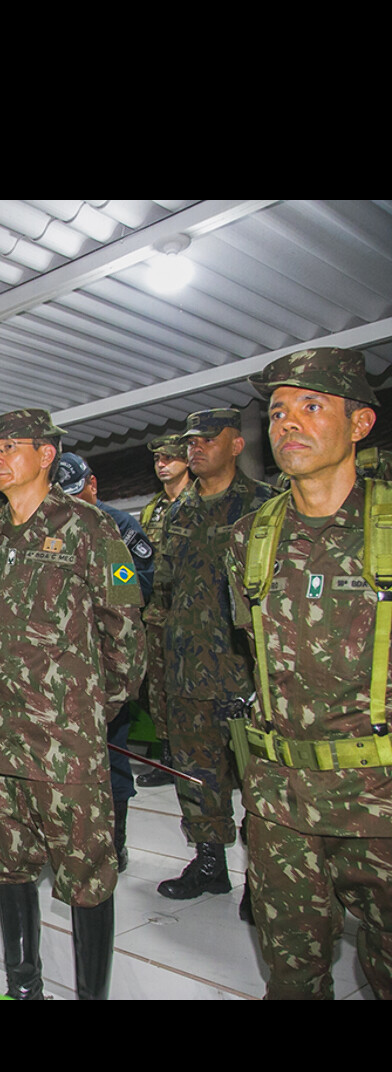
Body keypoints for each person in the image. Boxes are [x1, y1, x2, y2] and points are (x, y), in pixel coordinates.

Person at [228, 346, 391, 999]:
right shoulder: (248, 538)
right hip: (280, 804)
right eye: (277, 411)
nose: (288, 422)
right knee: (292, 978)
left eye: (312, 405)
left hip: (381, 801)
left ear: (359, 424)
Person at [0, 409, 145, 999]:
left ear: (46, 454)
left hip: (64, 740)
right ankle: (25, 988)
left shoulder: (89, 526)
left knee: (86, 876)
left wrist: (92, 708)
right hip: (1, 735)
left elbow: (125, 630)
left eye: (10, 446)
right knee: (7, 862)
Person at [147, 409, 275, 907]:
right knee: (195, 772)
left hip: (242, 672)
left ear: (237, 445)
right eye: (190, 441)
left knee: (256, 778)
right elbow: (163, 594)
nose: (195, 448)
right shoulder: (178, 512)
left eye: (206, 439)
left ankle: (263, 881)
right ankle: (210, 863)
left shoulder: (264, 506)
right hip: (185, 670)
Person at [55, 451, 155, 870]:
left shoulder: (117, 528)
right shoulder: (51, 531)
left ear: (92, 485)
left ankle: (115, 840)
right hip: (61, 667)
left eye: (79, 495)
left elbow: (135, 591)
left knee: (111, 754)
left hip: (106, 662)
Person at [136, 435, 192, 787]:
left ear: (187, 460)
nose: (162, 464)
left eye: (170, 457)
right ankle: (168, 758)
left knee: (192, 690)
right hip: (156, 614)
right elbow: (139, 561)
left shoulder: (198, 501)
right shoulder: (152, 508)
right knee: (158, 689)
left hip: (193, 615)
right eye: (158, 458)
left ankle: (199, 760)